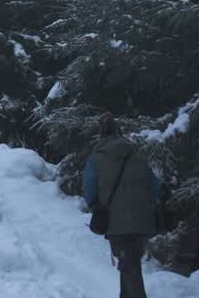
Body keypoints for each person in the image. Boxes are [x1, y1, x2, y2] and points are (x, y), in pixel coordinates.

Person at [82, 113, 160, 298]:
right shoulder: (139, 157)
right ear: (120, 132)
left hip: (115, 219)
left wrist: (96, 208)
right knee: (130, 263)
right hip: (143, 218)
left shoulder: (96, 159)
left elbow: (89, 189)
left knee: (128, 264)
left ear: (100, 135)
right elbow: (154, 186)